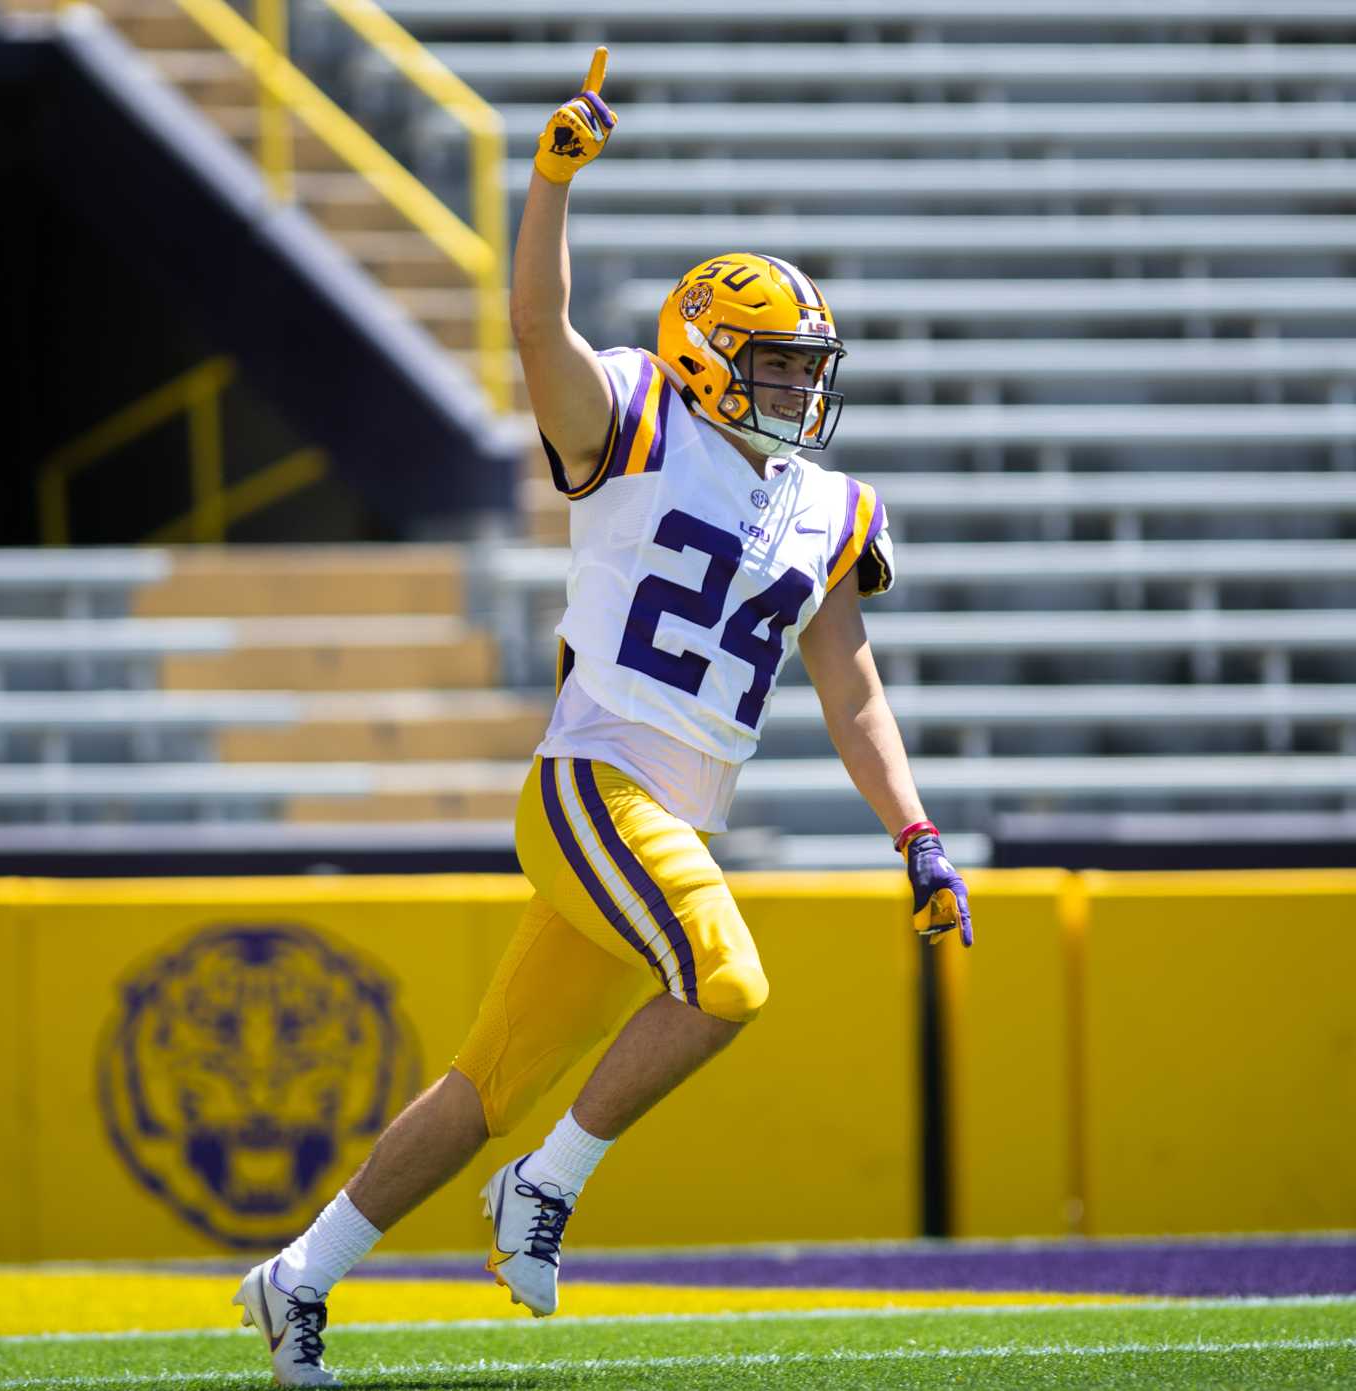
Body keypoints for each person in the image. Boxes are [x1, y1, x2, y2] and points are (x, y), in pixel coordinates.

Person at [233, 46, 973, 1387]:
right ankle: (546, 1189)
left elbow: (849, 682)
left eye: (810, 367)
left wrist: (915, 832)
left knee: (480, 1090)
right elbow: (536, 333)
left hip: (669, 815)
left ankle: (298, 1277)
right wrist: (549, 189)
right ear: (705, 355)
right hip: (593, 781)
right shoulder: (637, 420)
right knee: (730, 982)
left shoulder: (827, 503)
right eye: (777, 363)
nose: (802, 390)